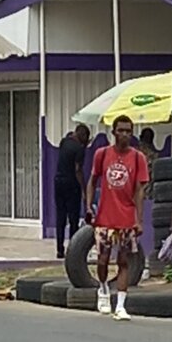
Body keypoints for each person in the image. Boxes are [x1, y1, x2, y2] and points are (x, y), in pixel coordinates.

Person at [85, 115, 148, 321]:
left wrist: (138, 219)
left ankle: (120, 305)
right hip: (104, 217)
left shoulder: (138, 158)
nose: (125, 135)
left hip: (127, 218)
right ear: (113, 132)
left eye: (128, 131)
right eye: (121, 130)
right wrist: (88, 207)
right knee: (103, 260)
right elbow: (92, 180)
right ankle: (103, 289)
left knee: (124, 262)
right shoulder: (102, 154)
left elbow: (140, 190)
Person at [54, 124, 90, 259]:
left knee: (60, 216)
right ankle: (73, 250)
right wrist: (84, 189)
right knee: (73, 218)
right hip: (71, 184)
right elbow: (78, 170)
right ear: (83, 136)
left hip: (58, 182)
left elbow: (69, 137)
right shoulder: (79, 149)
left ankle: (59, 249)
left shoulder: (64, 142)